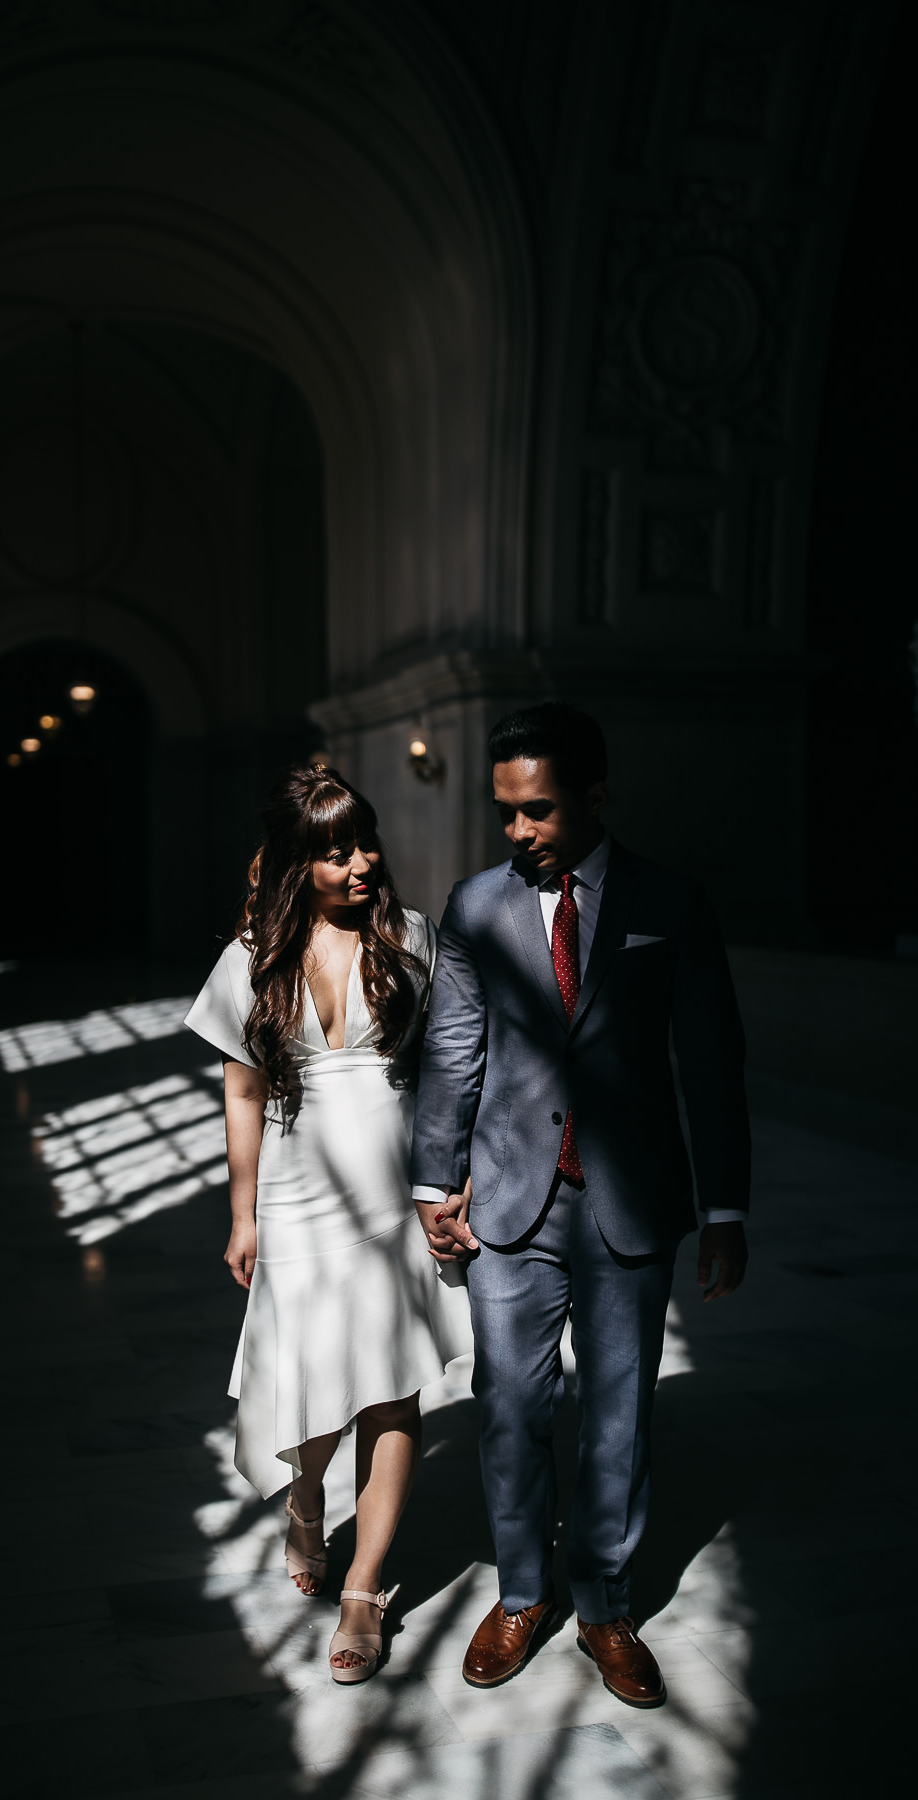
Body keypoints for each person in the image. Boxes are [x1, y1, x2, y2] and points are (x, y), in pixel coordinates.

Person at [411, 702, 749, 1706]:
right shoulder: (476, 906)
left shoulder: (670, 901)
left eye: (540, 810)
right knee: (511, 1409)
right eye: (505, 812)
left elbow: (711, 1059)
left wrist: (725, 1206)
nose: (518, 830)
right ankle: (523, 1594)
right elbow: (453, 1047)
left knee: (619, 1418)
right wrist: (434, 1180)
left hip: (628, 1202)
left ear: (595, 797)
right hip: (510, 1201)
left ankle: (605, 1605)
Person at [185, 764, 471, 1684]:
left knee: (392, 1392)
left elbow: (452, 1065)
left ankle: (364, 1590)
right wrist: (242, 1213)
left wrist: (451, 1178)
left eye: (364, 843)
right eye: (336, 851)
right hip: (298, 1196)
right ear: (295, 861)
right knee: (307, 1389)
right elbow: (241, 1091)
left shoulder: (410, 937)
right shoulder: (253, 956)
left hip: (391, 1195)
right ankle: (305, 1504)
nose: (361, 864)